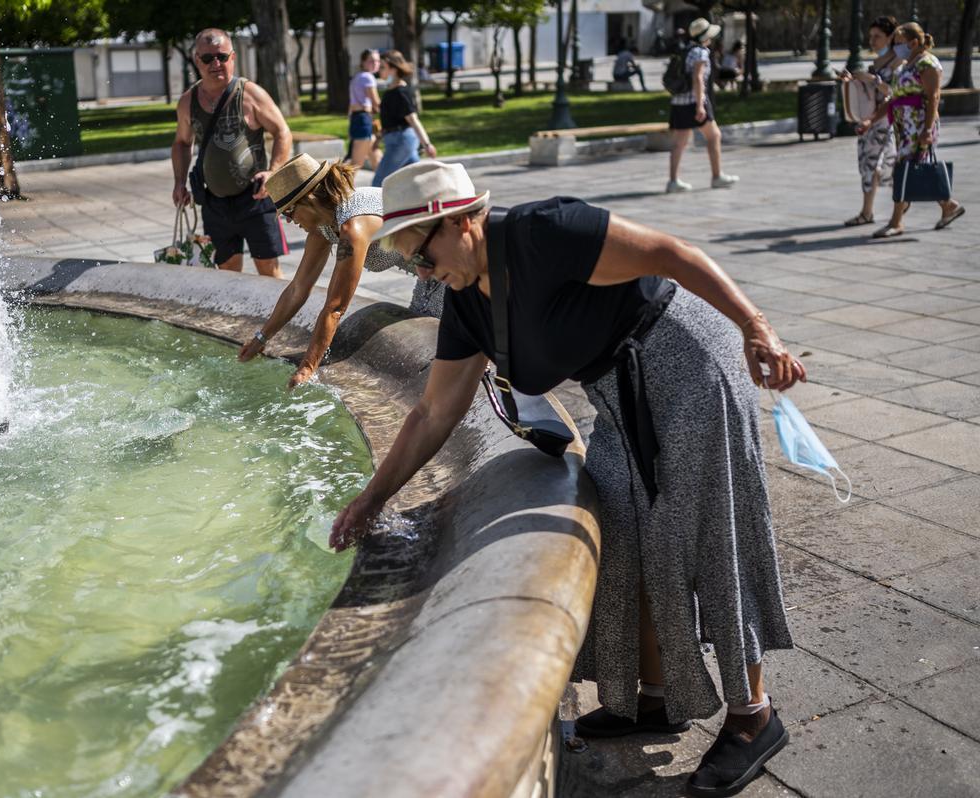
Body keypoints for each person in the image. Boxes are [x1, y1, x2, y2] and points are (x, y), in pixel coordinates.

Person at [332, 160, 804, 797]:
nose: (421, 273)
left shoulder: (542, 232)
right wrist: (371, 499)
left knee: (704, 529)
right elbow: (433, 411)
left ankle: (754, 716)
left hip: (685, 358)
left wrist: (758, 328)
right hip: (618, 388)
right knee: (618, 532)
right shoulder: (466, 302)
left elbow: (673, 254)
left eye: (420, 253)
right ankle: (654, 695)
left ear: (461, 222)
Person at [239, 154, 444, 388]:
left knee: (453, 348)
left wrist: (308, 367)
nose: (288, 221)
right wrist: (261, 338)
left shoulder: (353, 227)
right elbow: (298, 288)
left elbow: (336, 307)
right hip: (428, 276)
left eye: (288, 212)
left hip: (450, 266)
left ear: (309, 200)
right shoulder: (323, 228)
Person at [171, 28, 291, 278]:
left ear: (233, 57)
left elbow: (282, 132)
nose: (216, 63)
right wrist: (180, 183)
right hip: (214, 202)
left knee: (269, 271)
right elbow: (182, 143)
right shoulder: (187, 102)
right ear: (197, 60)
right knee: (227, 272)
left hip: (256, 198)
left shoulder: (250, 94)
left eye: (222, 57)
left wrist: (274, 172)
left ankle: (278, 317)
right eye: (208, 58)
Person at [859, 21, 965, 238]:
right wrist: (870, 120)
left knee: (903, 169)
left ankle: (896, 221)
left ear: (914, 42)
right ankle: (948, 205)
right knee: (914, 168)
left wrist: (927, 129)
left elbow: (934, 96)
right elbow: (893, 99)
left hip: (919, 126)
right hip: (904, 128)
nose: (896, 47)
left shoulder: (928, 63)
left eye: (899, 43)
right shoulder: (904, 66)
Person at [838, 17, 901, 227]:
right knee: (868, 165)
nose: (872, 41)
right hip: (870, 121)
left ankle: (882, 214)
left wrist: (873, 80)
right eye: (871, 36)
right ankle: (868, 212)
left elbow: (894, 92)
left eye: (878, 37)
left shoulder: (897, 62)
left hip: (884, 121)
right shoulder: (876, 63)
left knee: (879, 166)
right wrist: (852, 81)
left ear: (890, 38)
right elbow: (871, 93)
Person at [666, 18, 739, 193]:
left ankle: (673, 181)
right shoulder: (701, 53)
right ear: (705, 37)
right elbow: (698, 79)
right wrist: (700, 106)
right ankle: (717, 176)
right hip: (694, 102)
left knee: (679, 143)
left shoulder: (686, 50)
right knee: (714, 136)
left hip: (679, 102)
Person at [372, 51, 437, 188]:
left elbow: (413, 120)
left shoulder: (401, 93)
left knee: (378, 183)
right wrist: (378, 139)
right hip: (396, 140)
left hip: (400, 142)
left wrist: (427, 144)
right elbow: (389, 120)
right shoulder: (390, 91)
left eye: (383, 67)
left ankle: (369, 210)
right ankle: (430, 204)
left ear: (393, 69)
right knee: (415, 184)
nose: (379, 70)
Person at [347, 50, 383, 170]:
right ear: (363, 62)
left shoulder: (357, 77)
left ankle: (383, 185)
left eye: (377, 60)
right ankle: (340, 188)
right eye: (371, 61)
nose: (375, 63)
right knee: (356, 164)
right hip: (363, 119)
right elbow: (376, 102)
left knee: (377, 158)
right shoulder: (368, 77)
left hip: (358, 118)